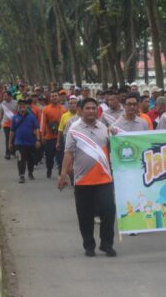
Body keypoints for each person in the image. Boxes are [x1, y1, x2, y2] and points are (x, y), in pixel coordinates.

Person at [58, 98, 116, 257]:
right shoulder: (74, 129)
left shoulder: (104, 128)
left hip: (104, 178)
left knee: (109, 211)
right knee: (85, 215)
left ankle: (107, 244)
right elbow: (68, 153)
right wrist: (63, 174)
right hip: (83, 180)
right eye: (88, 108)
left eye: (94, 108)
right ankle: (89, 245)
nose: (91, 111)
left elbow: (114, 148)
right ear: (81, 110)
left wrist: (117, 136)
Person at [9, 100, 41, 183]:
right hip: (19, 143)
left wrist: (38, 140)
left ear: (27, 106)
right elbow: (12, 131)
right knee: (20, 159)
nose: (22, 106)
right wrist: (10, 143)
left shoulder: (32, 117)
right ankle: (21, 175)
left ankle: (30, 172)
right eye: (20, 105)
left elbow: (37, 128)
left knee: (31, 159)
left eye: (24, 105)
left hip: (31, 142)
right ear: (18, 107)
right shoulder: (15, 118)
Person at [40, 90, 67, 178]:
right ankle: (49, 169)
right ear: (50, 98)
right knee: (49, 156)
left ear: (58, 97)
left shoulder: (64, 109)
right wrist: (42, 135)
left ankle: (60, 172)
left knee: (61, 156)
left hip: (61, 137)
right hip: (49, 137)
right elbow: (43, 123)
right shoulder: (46, 109)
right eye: (52, 96)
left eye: (56, 96)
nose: (54, 97)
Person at [56, 95, 78, 160]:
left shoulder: (81, 115)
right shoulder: (64, 116)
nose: (73, 105)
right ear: (68, 105)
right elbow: (60, 130)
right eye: (71, 103)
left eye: (74, 103)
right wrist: (58, 142)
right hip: (66, 142)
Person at [0, 91, 17, 159]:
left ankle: (14, 151)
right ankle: (7, 153)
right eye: (3, 96)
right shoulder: (3, 103)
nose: (4, 97)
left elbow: (19, 113)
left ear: (10, 96)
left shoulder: (16, 103)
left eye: (5, 96)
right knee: (8, 139)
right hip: (6, 124)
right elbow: (1, 114)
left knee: (14, 138)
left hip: (15, 124)